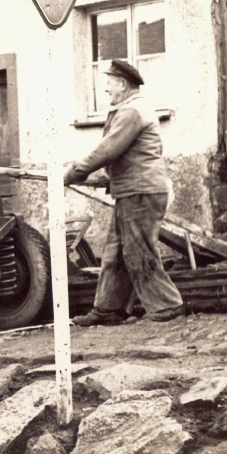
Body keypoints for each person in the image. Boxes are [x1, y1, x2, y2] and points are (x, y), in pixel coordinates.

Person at [64, 60, 184, 325]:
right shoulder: (130, 109)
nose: (106, 88)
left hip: (140, 191)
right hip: (132, 190)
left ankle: (167, 306)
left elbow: (109, 148)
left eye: (109, 82)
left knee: (138, 251)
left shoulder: (133, 111)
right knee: (115, 252)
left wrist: (77, 171)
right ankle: (109, 309)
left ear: (121, 83)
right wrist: (100, 176)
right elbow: (122, 156)